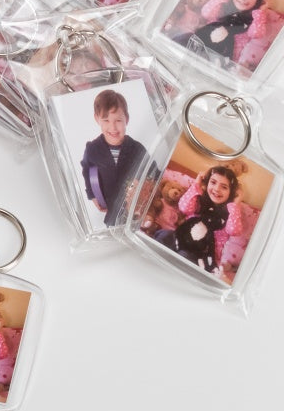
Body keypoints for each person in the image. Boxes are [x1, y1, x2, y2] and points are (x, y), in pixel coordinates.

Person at [154, 165, 243, 273]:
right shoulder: (199, 199)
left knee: (183, 256)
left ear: (231, 192)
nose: (216, 189)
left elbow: (234, 230)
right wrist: (197, 183)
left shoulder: (231, 211)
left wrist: (236, 203)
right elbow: (183, 208)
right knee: (164, 235)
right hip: (182, 239)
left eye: (224, 187)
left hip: (201, 253)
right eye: (213, 182)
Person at [80, 89, 148, 226]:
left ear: (126, 119)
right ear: (97, 119)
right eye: (106, 120)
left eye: (118, 120)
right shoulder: (92, 149)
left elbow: (152, 173)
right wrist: (92, 195)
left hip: (138, 212)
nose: (113, 127)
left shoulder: (137, 149)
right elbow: (87, 171)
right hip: (112, 212)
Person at [176, 0, 268, 62]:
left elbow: (256, 33)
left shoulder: (255, 18)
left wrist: (260, 11)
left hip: (222, 56)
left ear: (257, 1)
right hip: (201, 42)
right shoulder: (223, 6)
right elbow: (206, 13)